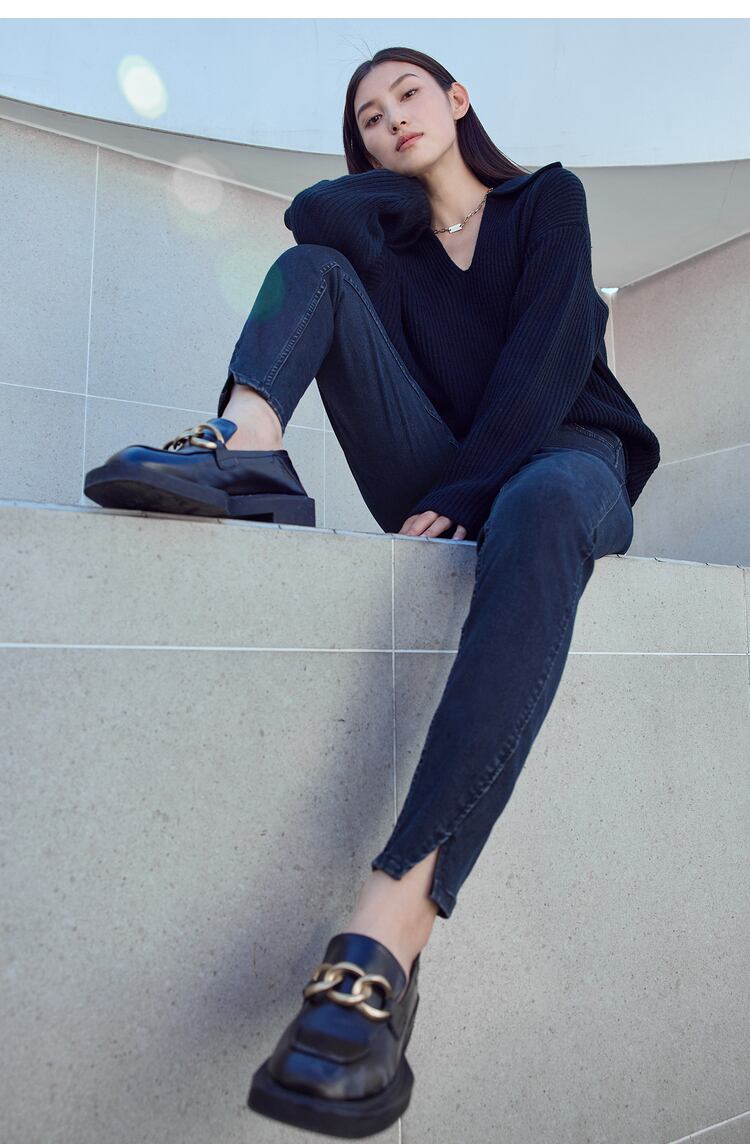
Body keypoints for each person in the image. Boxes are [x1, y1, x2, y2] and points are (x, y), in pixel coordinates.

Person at [84, 46, 661, 1139]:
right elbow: (313, 220)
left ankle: (387, 940)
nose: (391, 116)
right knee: (312, 268)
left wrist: (474, 489)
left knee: (542, 505)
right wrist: (398, 195)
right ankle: (246, 450)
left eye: (409, 93)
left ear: (458, 99)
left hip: (562, 461)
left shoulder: (548, 202)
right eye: (368, 114)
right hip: (441, 475)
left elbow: (549, 358)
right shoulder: (388, 245)